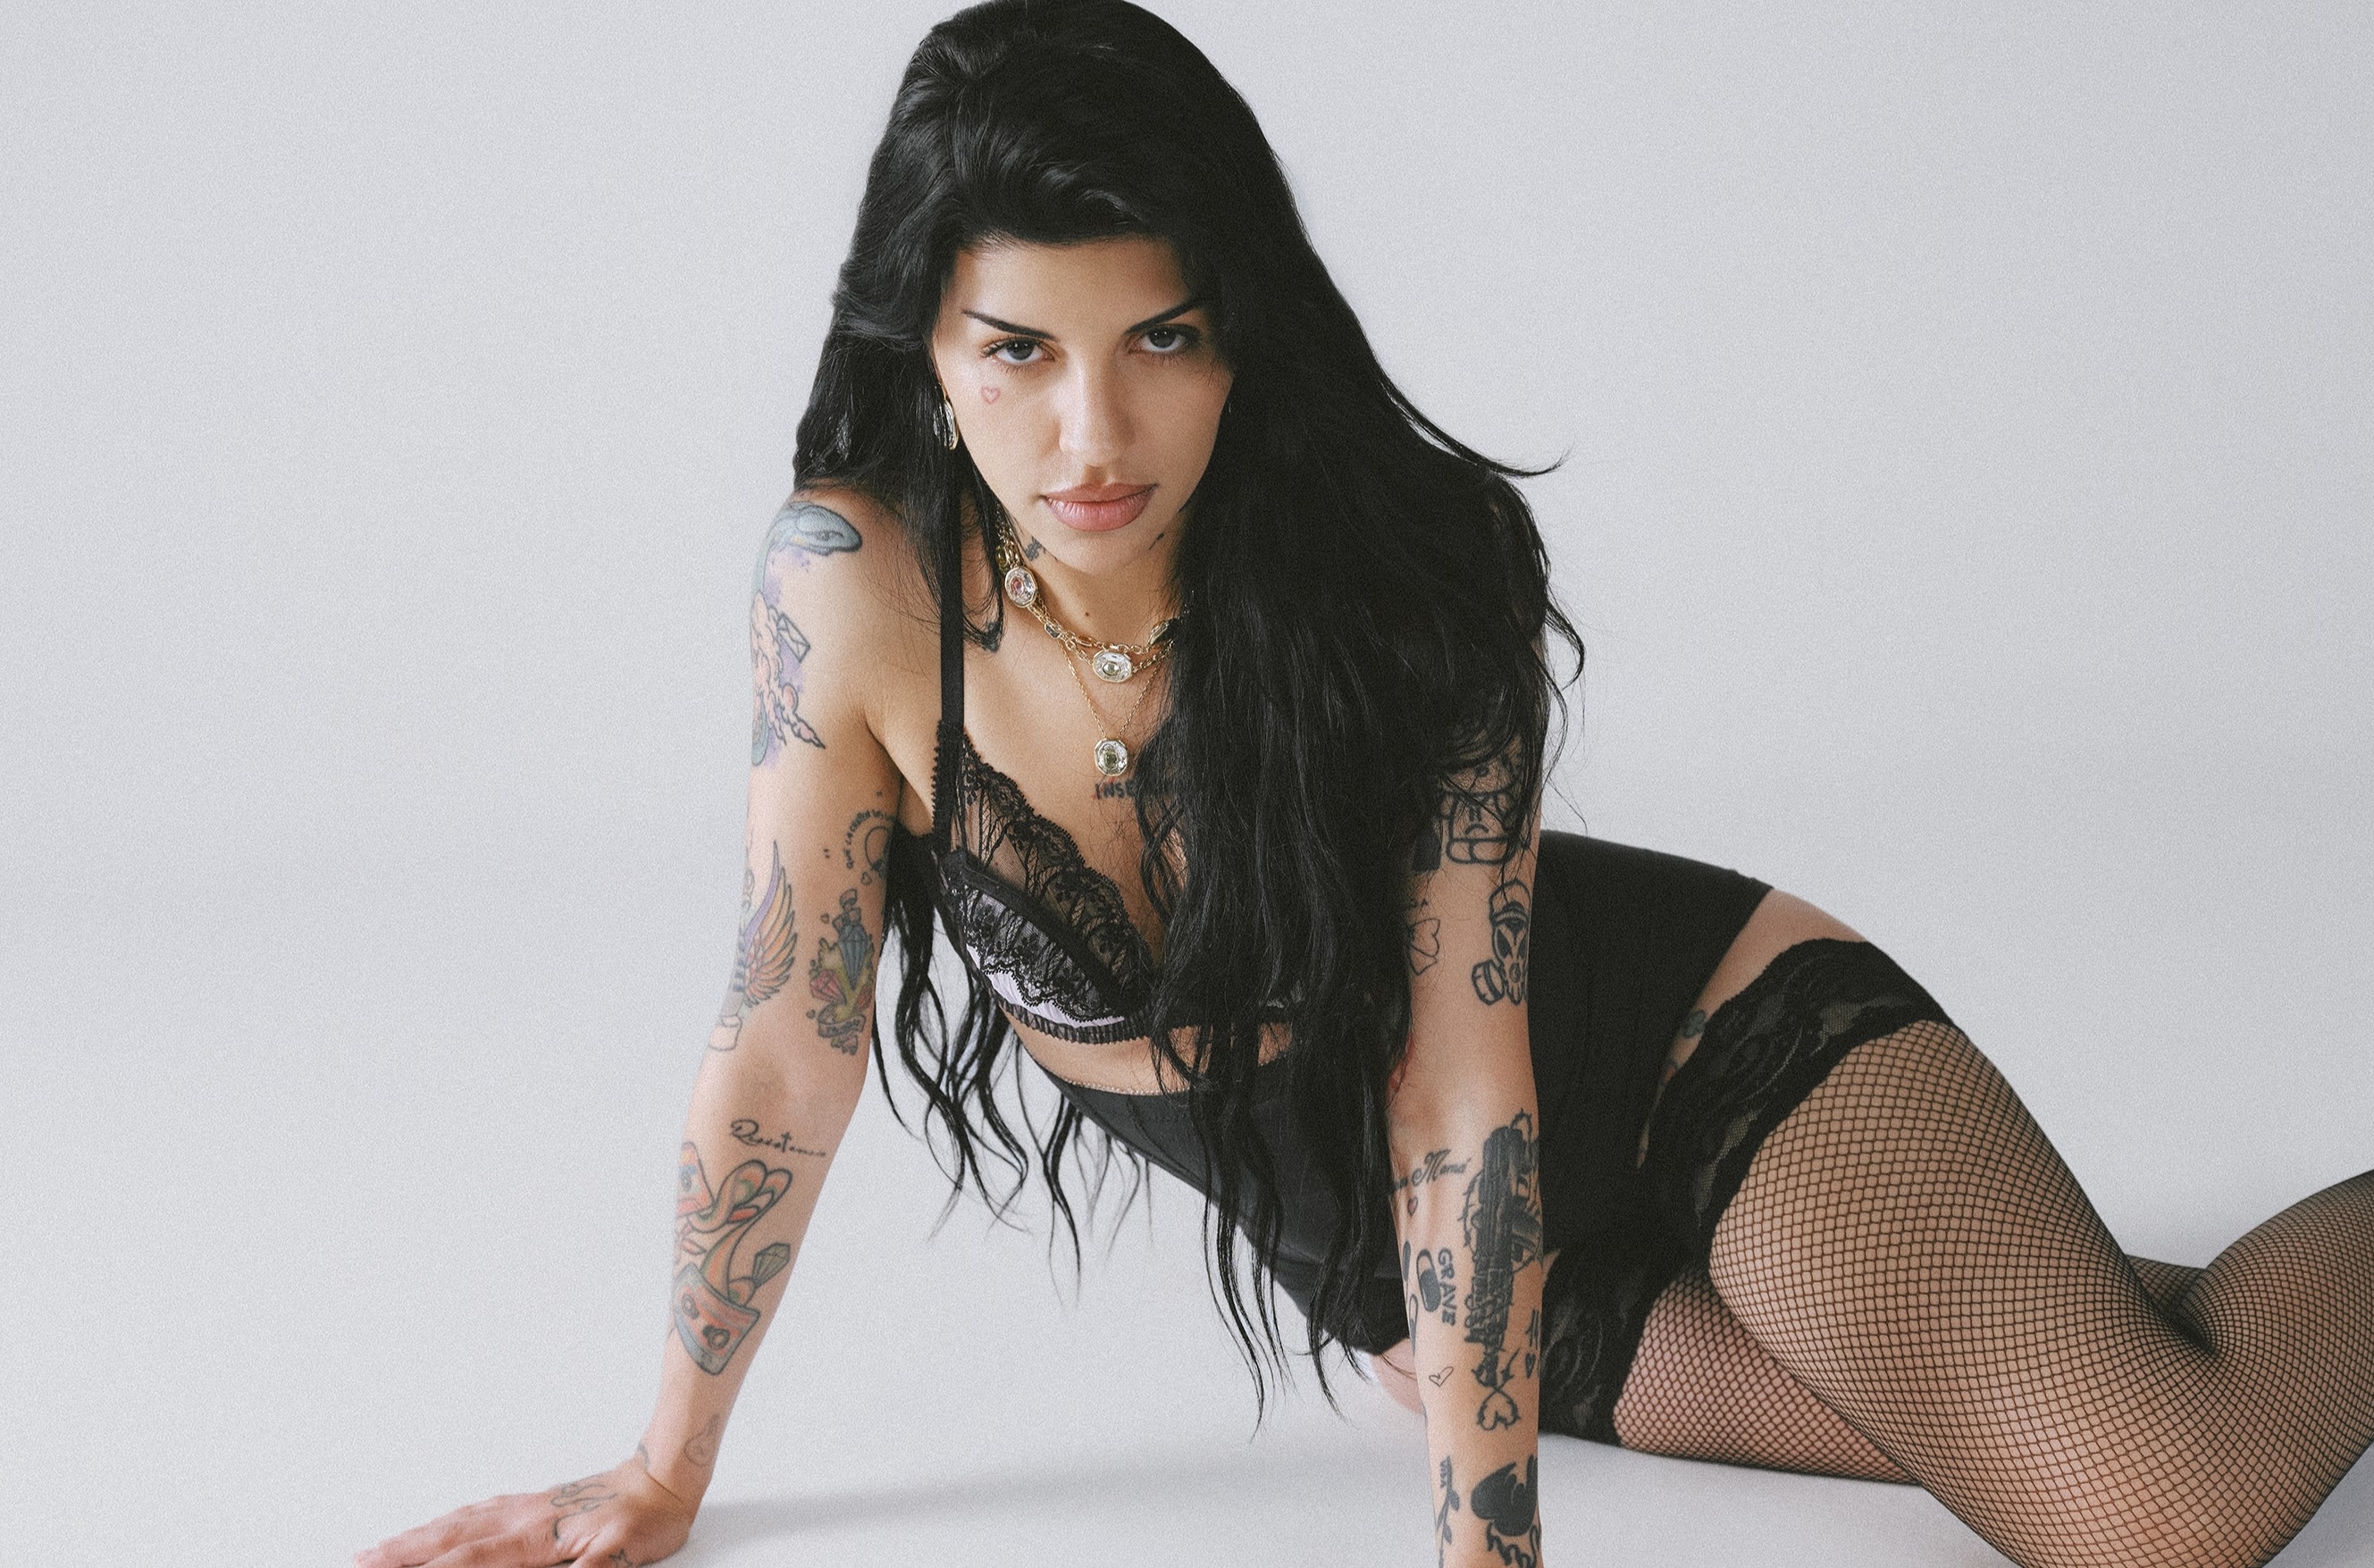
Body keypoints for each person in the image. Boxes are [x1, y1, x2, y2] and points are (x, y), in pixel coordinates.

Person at [356, 4, 2374, 1565]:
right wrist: (662, 1467)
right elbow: (783, 1043)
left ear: (1246, 328)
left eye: (1162, 337)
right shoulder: (854, 588)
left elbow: (1456, 1089)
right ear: (922, 344)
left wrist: (1482, 1544)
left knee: (2157, 1509)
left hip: (1698, 1065)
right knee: (2071, 1377)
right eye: (1016, 352)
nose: (1091, 433)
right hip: (1437, 1284)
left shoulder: (1410, 575)